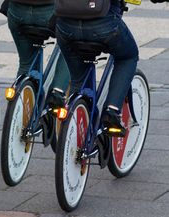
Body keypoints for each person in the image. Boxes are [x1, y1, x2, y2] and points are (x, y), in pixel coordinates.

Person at [55, 0, 139, 136]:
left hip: (66, 26)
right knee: (128, 57)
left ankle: (77, 125)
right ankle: (112, 110)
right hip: (104, 24)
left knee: (78, 81)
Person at [0, 0, 70, 108]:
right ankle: (57, 90)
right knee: (71, 47)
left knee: (26, 63)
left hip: (17, 12)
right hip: (50, 13)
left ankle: (22, 106)